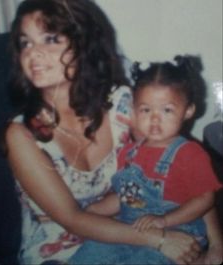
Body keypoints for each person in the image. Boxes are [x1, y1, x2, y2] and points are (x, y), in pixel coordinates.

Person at [4, 0, 220, 264]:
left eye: (50, 39)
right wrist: (161, 240)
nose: (33, 53)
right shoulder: (21, 135)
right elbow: (72, 219)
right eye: (25, 43)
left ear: (83, 45)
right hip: (64, 250)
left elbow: (183, 166)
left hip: (138, 226)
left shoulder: (122, 104)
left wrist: (217, 246)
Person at [69, 56, 223, 265]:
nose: (155, 119)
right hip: (132, 228)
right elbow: (130, 196)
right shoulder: (129, 152)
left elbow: (206, 199)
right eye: (146, 109)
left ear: (188, 111)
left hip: (177, 231)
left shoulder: (190, 154)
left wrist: (165, 220)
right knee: (89, 253)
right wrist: (96, 210)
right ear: (134, 110)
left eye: (167, 110)